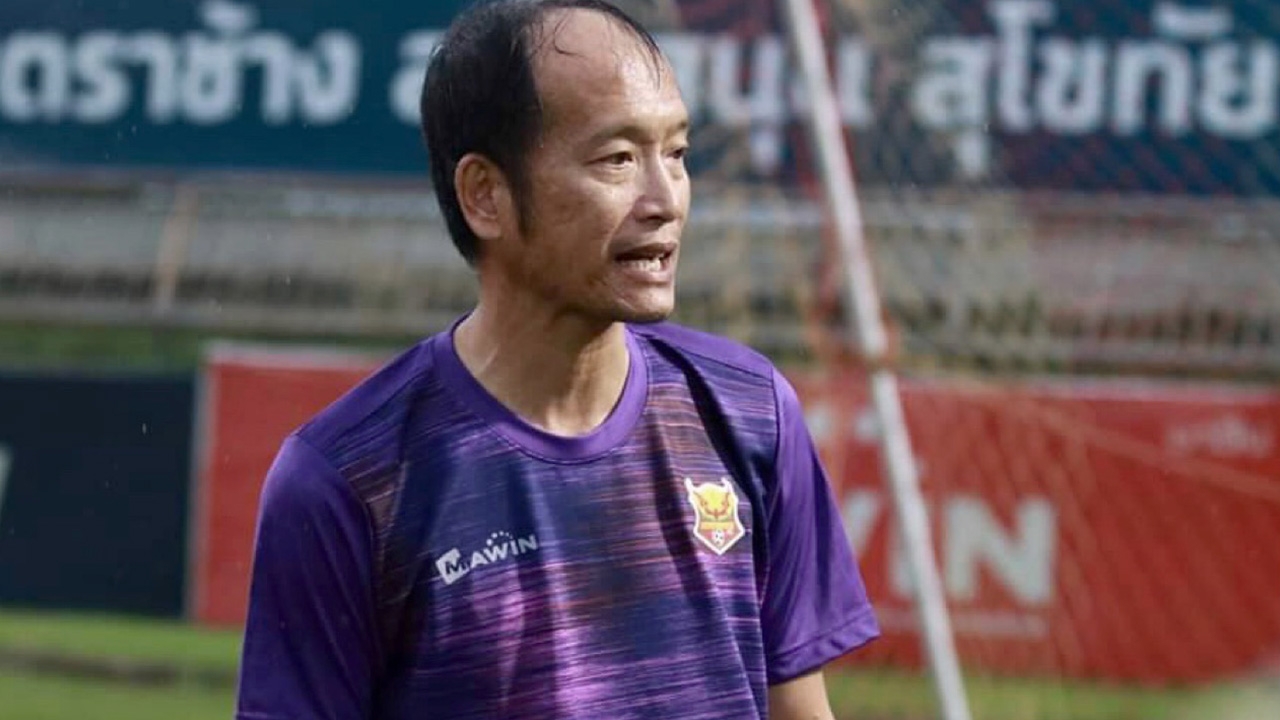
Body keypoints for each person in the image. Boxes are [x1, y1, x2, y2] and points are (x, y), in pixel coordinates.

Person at [234, 1, 878, 718]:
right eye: (618, 159)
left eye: (676, 154)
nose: (664, 200)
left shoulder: (751, 413)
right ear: (485, 195)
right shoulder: (346, 481)